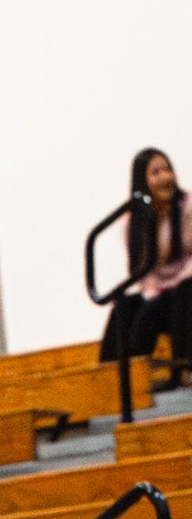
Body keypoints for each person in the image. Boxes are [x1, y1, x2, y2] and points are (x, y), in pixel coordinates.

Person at [99, 148, 192, 370]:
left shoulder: (187, 205)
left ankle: (185, 369)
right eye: (156, 172)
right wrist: (153, 293)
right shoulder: (132, 222)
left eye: (167, 169)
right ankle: (114, 376)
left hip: (186, 284)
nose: (165, 177)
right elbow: (141, 271)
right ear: (142, 181)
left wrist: (175, 283)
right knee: (124, 306)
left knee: (185, 292)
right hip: (158, 290)